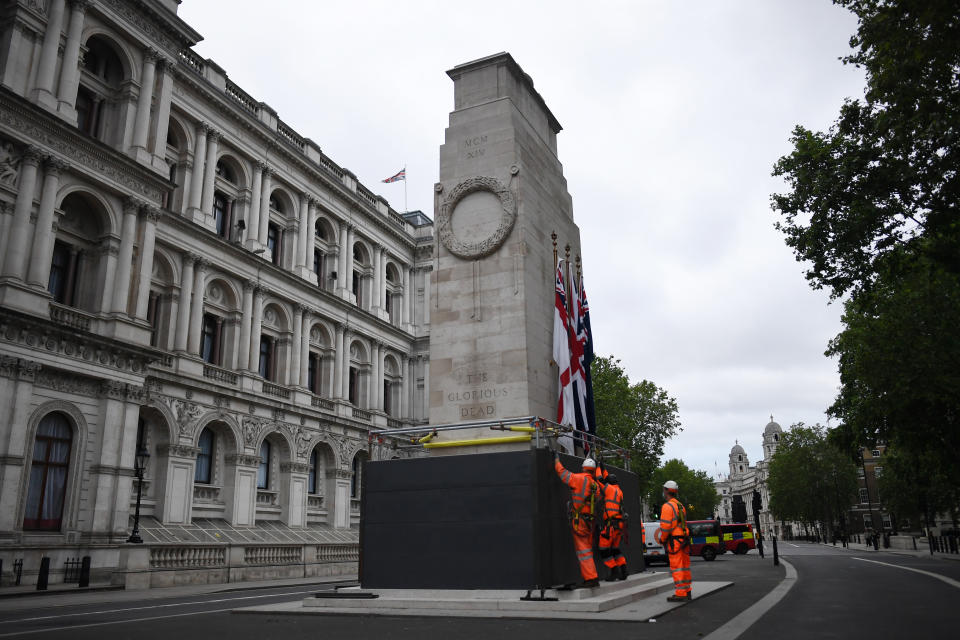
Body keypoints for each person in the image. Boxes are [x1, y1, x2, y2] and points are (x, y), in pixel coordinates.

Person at [554, 452, 600, 588]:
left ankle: (591, 578)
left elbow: (562, 473)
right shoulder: (595, 486)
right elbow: (598, 499)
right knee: (587, 550)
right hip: (590, 521)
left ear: (583, 468)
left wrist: (556, 460)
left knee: (583, 550)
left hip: (579, 521)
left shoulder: (578, 479)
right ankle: (591, 577)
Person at [655, 479, 692, 602]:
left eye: (663, 490)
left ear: (666, 491)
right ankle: (687, 591)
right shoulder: (680, 505)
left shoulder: (667, 506)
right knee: (685, 566)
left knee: (677, 567)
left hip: (675, 541)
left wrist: (662, 539)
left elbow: (666, 527)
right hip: (684, 539)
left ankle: (681, 593)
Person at [596, 467, 628, 581]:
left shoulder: (609, 489)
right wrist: (604, 469)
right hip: (618, 526)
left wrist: (598, 468)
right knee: (615, 549)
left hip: (610, 526)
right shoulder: (619, 491)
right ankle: (623, 570)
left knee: (603, 549)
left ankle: (614, 570)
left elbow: (599, 479)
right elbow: (606, 479)